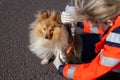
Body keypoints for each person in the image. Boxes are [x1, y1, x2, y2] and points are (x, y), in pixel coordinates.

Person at [53, 0, 120, 80]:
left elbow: (93, 71)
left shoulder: (117, 40)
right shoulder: (115, 14)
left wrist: (61, 68)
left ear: (109, 22)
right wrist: (77, 22)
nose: (93, 24)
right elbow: (106, 27)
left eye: (95, 22)